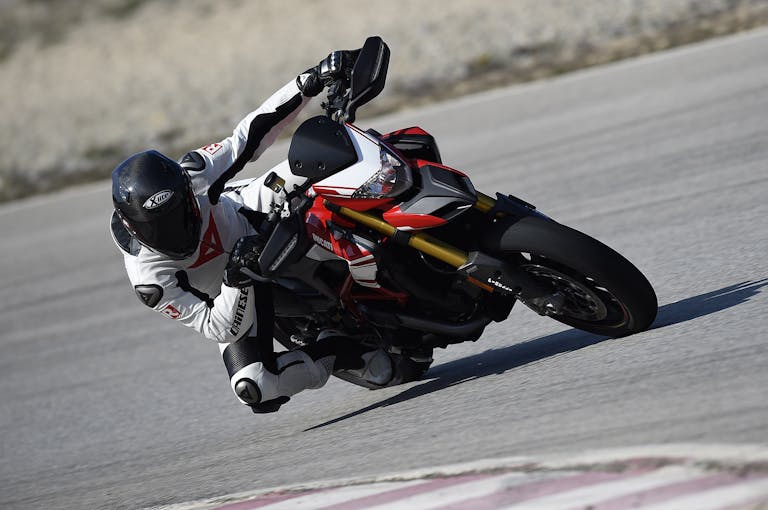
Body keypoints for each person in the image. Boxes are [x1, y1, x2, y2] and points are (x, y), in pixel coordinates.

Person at [110, 49, 392, 414]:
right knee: (254, 385)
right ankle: (342, 350)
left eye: (180, 212)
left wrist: (308, 82)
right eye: (159, 227)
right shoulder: (150, 279)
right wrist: (235, 278)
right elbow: (216, 327)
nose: (176, 230)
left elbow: (249, 136)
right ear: (133, 226)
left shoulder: (193, 172)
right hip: (236, 291)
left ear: (186, 191)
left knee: (337, 155)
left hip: (255, 212)